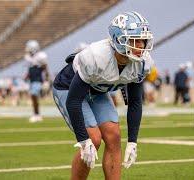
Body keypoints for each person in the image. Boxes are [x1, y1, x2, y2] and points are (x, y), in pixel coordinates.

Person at [52, 11, 154, 180]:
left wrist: (132, 141)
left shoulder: (143, 63)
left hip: (97, 91)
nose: (141, 46)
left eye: (143, 40)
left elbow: (135, 102)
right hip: (68, 89)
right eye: (135, 40)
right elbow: (74, 100)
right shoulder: (96, 56)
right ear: (118, 39)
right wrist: (83, 140)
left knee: (113, 136)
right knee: (93, 139)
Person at [24, 40, 49, 123]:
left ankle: (37, 114)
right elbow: (30, 68)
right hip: (32, 79)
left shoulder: (41, 56)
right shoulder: (28, 57)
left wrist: (46, 80)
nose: (27, 49)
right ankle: (36, 114)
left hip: (38, 79)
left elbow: (45, 68)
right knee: (33, 97)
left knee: (34, 95)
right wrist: (26, 76)